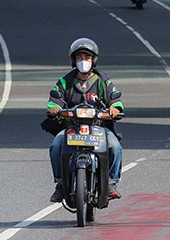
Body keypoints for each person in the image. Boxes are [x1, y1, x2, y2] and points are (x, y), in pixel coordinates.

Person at [45, 38, 125, 203]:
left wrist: (114, 109)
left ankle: (111, 183)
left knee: (115, 147)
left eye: (87, 58)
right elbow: (55, 99)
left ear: (93, 60)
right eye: (79, 57)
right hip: (72, 128)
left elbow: (115, 100)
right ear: (73, 60)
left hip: (99, 128)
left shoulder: (103, 81)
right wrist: (54, 109)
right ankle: (60, 184)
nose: (83, 61)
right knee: (55, 146)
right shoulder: (64, 82)